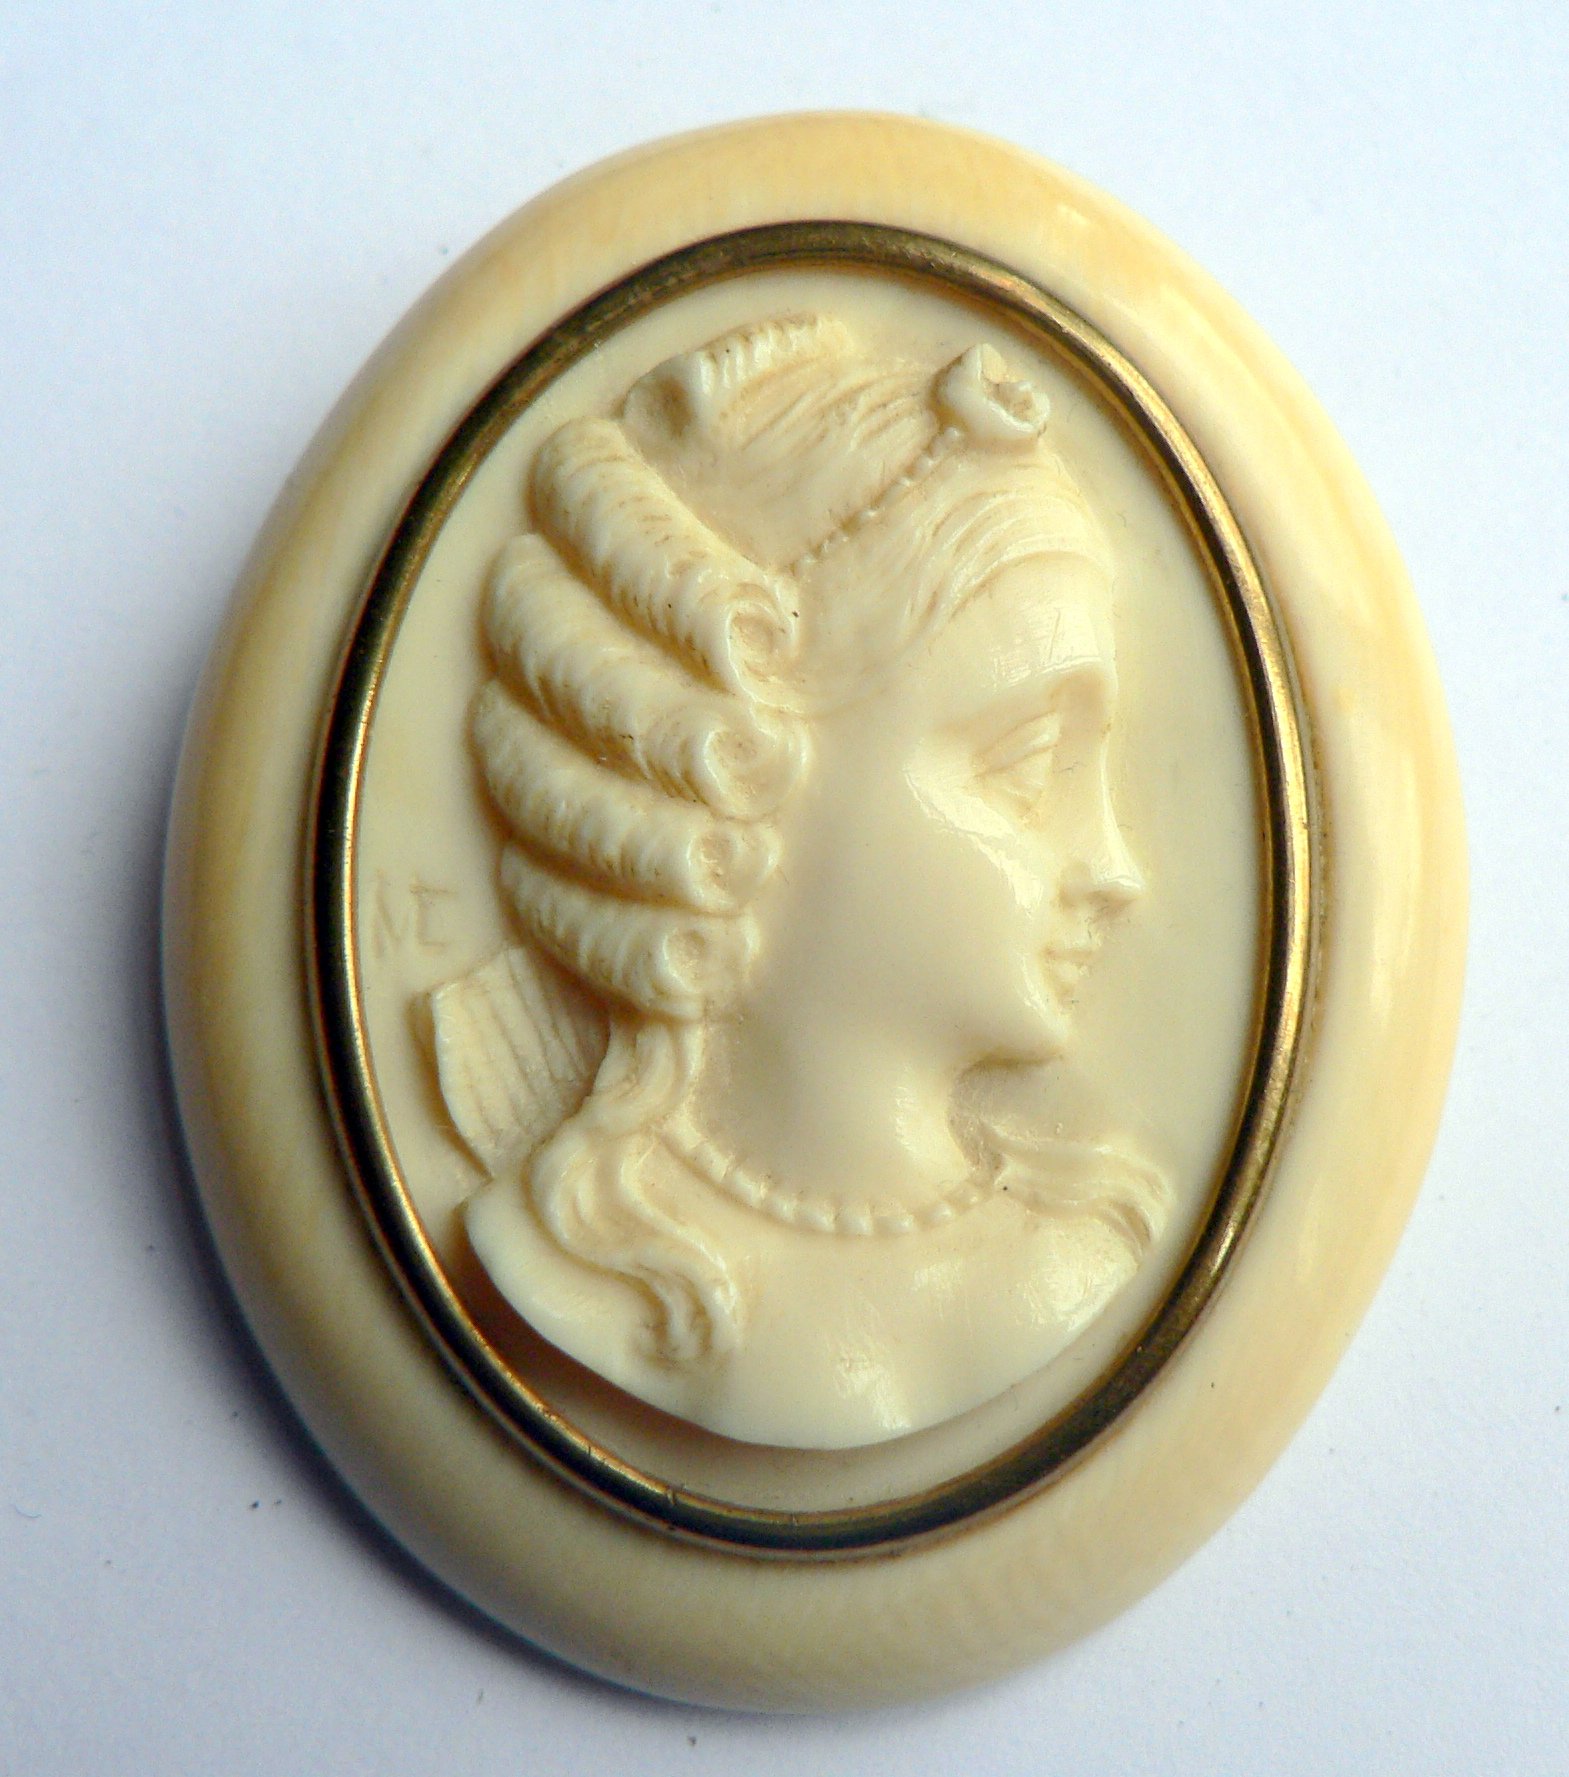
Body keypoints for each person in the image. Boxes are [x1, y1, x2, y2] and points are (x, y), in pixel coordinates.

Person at [444, 313, 1169, 1447]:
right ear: (739, 764)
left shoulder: (1091, 1234)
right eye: (1029, 766)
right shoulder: (565, 1260)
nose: (1113, 867)